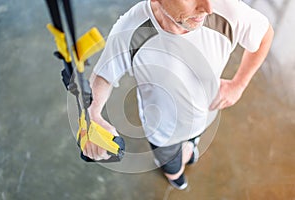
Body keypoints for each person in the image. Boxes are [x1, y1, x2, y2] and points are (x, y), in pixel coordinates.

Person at [81, 0, 274, 190]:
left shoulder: (228, 11)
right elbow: (103, 75)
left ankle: (189, 146)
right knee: (172, 164)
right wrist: (93, 114)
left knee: (192, 141)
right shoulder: (131, 29)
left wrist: (238, 85)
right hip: (162, 131)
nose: (208, 8)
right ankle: (175, 175)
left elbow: (265, 34)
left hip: (204, 115)